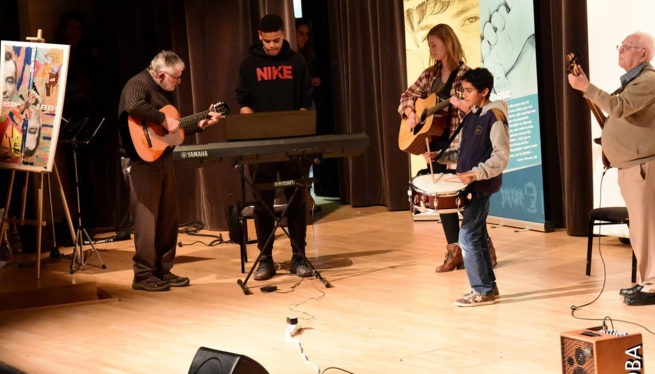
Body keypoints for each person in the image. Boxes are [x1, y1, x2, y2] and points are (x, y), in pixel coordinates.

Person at [118, 51, 221, 292]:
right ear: (162, 74)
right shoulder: (138, 83)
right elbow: (134, 105)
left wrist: (199, 124)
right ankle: (143, 275)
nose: (179, 81)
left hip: (160, 158)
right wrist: (163, 120)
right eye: (176, 77)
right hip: (140, 161)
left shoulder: (158, 90)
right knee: (146, 220)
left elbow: (169, 131)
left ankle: (163, 271)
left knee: (168, 217)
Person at [399, 23, 497, 273]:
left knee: (464, 199)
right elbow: (406, 96)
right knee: (443, 200)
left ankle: (483, 245)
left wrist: (461, 104)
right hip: (434, 144)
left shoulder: (465, 74)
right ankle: (454, 252)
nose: (431, 49)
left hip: (460, 145)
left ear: (447, 43)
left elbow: (477, 109)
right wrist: (411, 113)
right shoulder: (430, 74)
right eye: (429, 45)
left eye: (434, 44)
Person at [568, 31, 655, 306]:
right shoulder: (633, 81)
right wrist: (586, 88)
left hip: (642, 167)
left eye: (628, 47)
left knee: (647, 228)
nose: (621, 50)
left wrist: (587, 87)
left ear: (645, 54)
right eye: (621, 45)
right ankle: (645, 281)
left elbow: (619, 108)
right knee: (640, 229)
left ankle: (652, 286)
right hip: (630, 166)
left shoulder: (649, 80)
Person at [235, 14, 313, 281]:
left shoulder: (296, 61)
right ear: (259, 36)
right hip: (262, 144)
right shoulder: (249, 64)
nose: (271, 45)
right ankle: (265, 258)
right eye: (267, 41)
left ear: (283, 34)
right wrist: (256, 127)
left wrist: (297, 127)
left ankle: (299, 256)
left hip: (292, 144)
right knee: (262, 202)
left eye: (276, 40)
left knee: (296, 199)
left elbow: (305, 100)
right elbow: (243, 101)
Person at [427, 67, 509, 306]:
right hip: (471, 185)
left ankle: (481, 290)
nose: (464, 95)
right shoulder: (473, 114)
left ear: (484, 91)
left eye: (469, 91)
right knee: (478, 236)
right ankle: (488, 289)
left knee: (468, 236)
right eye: (463, 90)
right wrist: (440, 157)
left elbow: (501, 157)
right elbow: (465, 153)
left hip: (481, 185)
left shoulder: (494, 116)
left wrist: (476, 174)